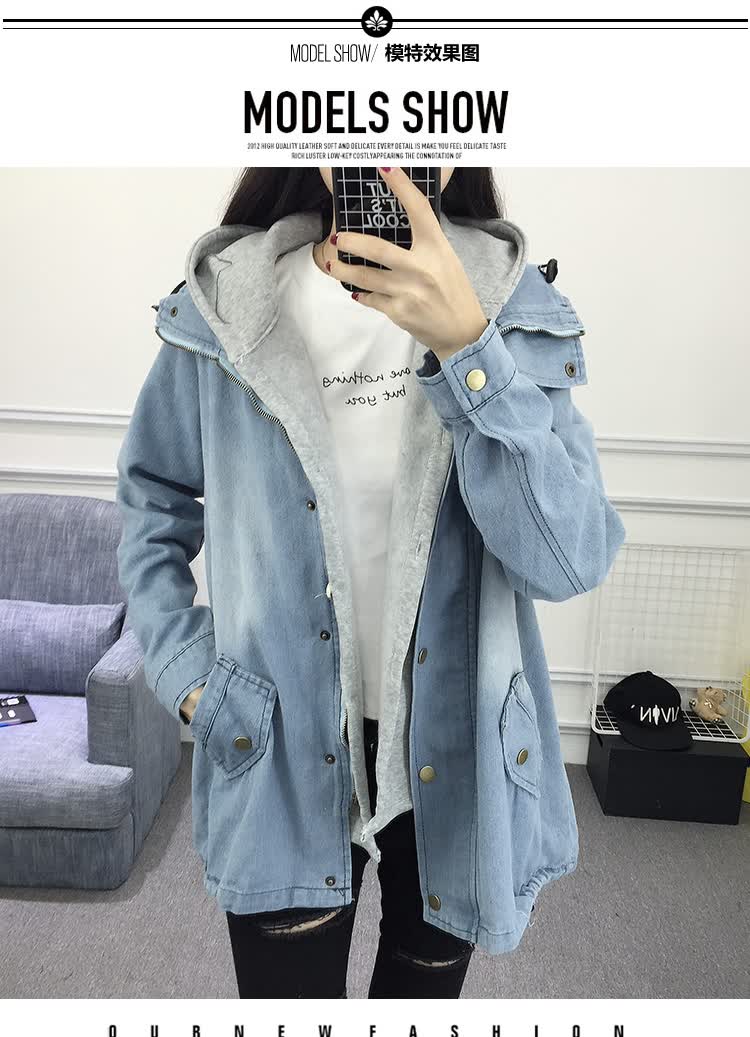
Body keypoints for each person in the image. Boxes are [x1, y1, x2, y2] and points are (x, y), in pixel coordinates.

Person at [115, 165, 626, 998]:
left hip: (456, 752)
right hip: (277, 743)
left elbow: (568, 558)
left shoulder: (508, 306)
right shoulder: (227, 304)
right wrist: (187, 676)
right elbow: (151, 497)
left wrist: (469, 348)